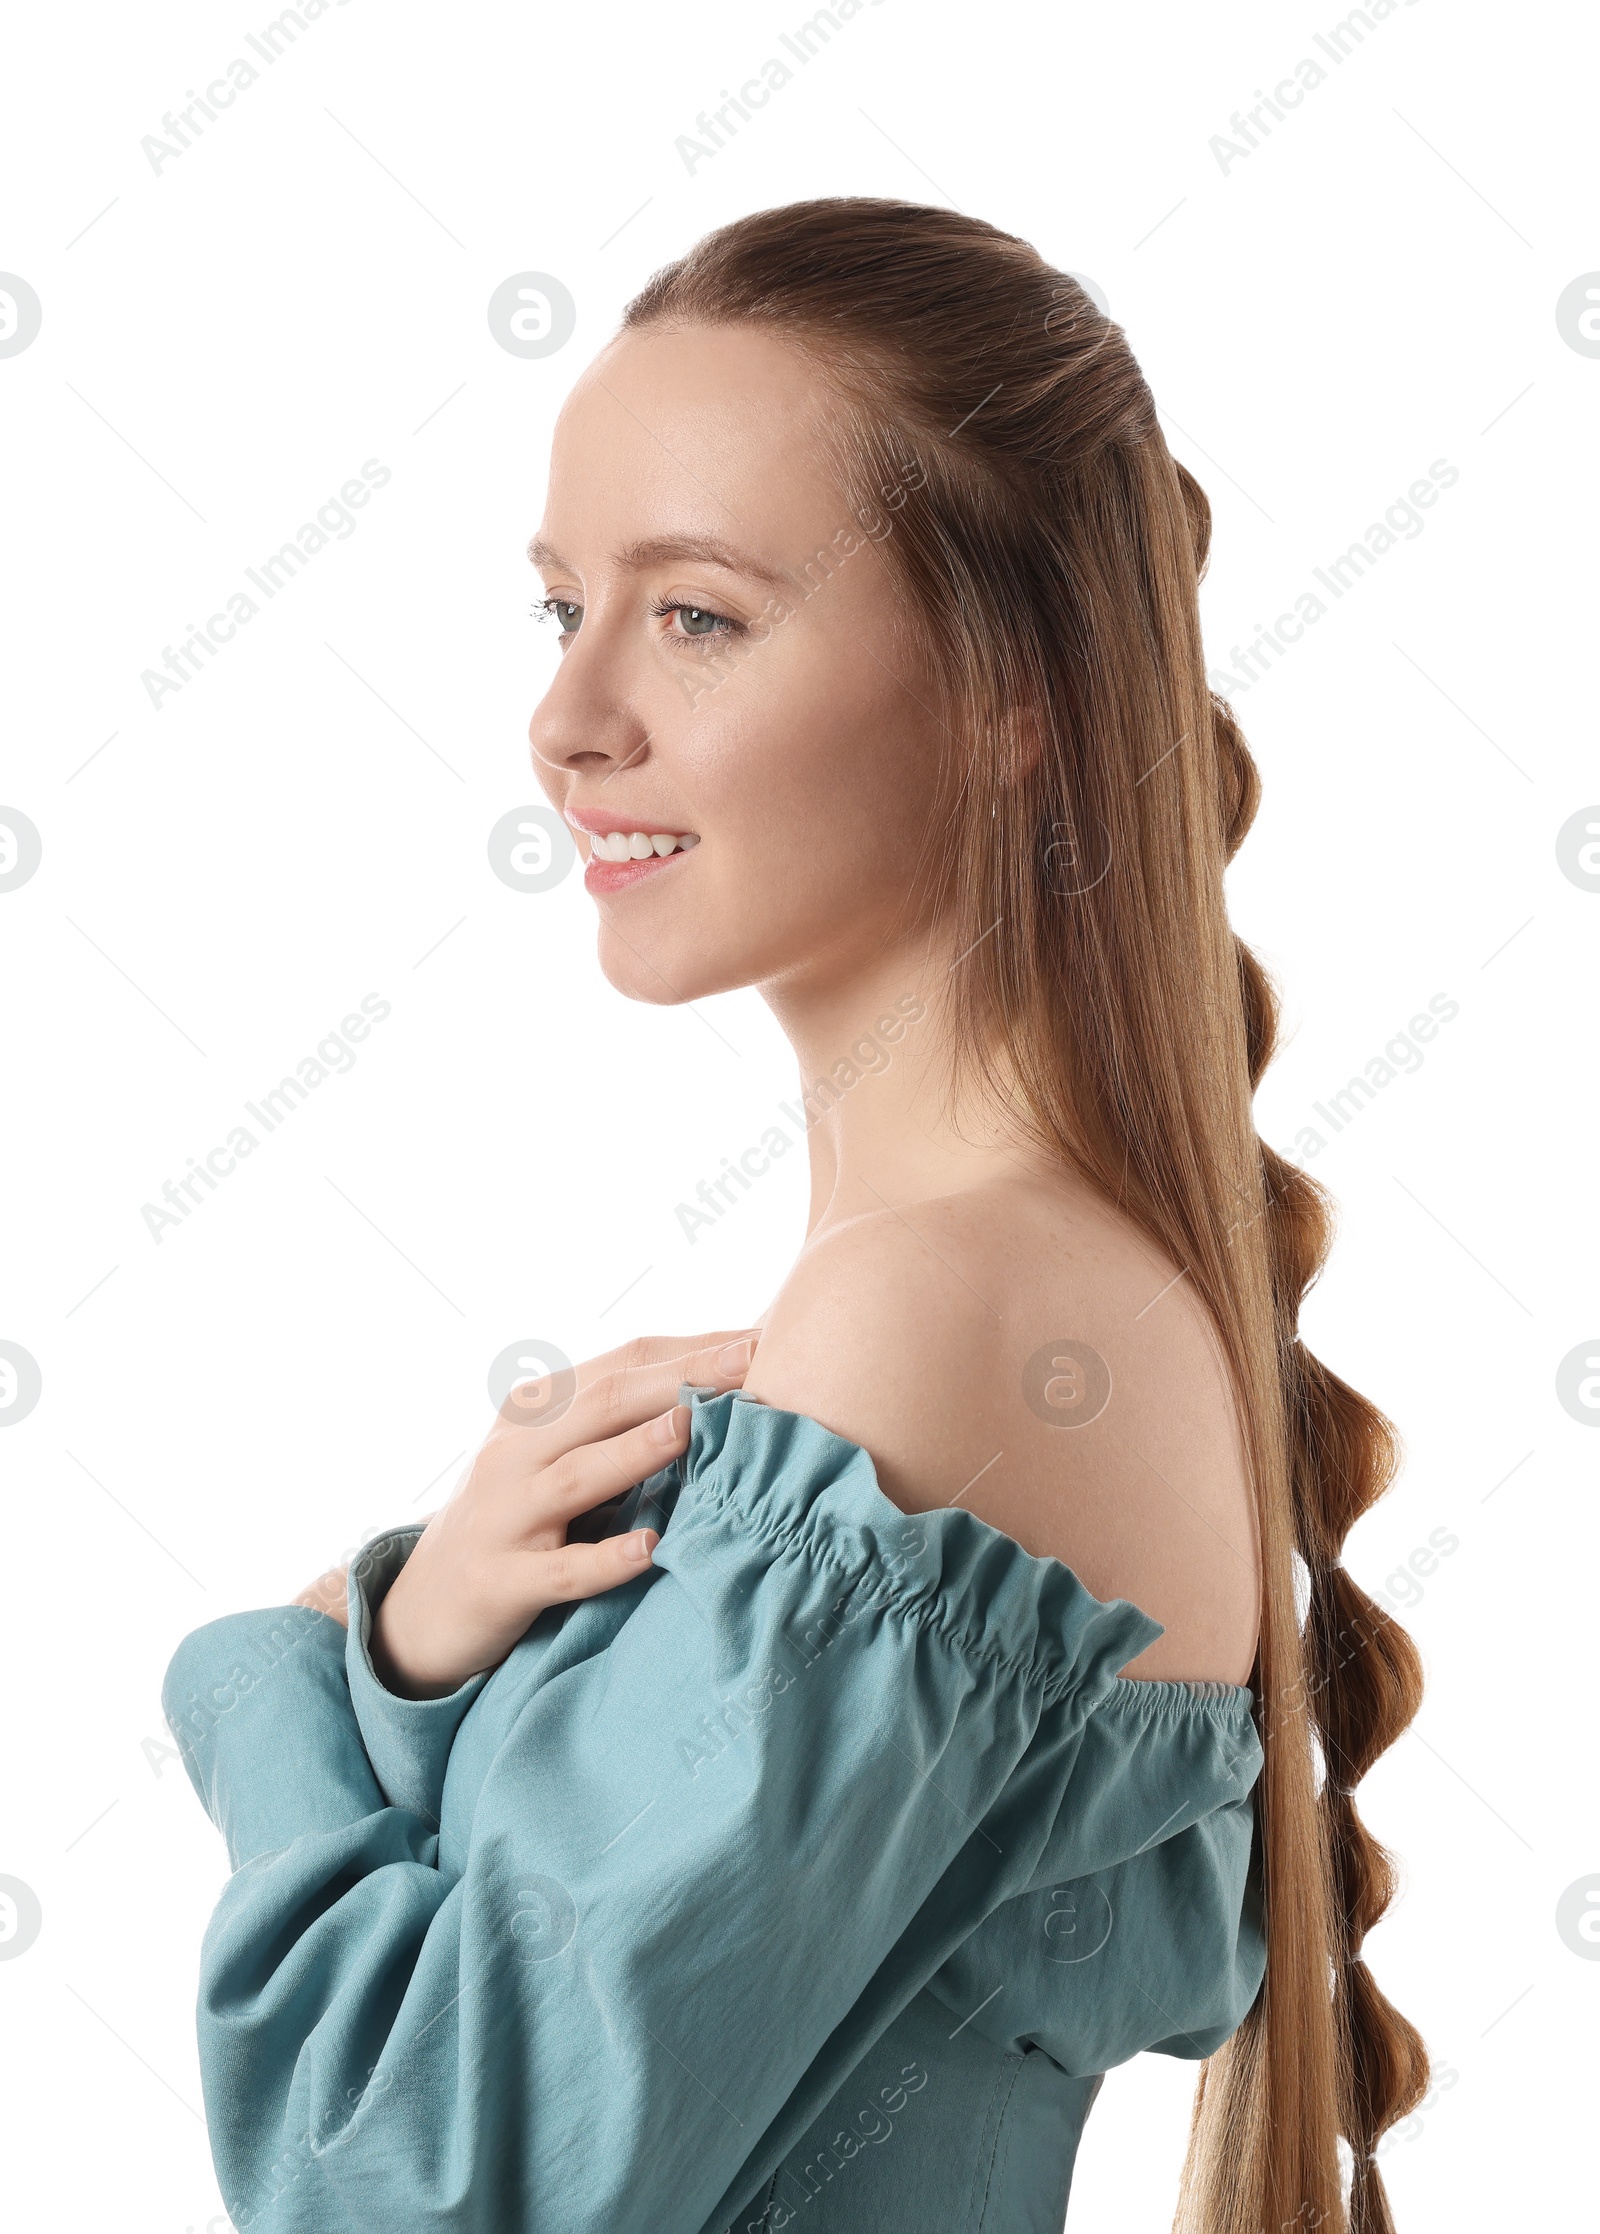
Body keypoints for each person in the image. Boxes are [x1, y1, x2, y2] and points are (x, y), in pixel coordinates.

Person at [162, 198, 1426, 2232]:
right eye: (559, 605)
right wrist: (419, 1645)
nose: (567, 720)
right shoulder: (960, 1298)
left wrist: (265, 1674)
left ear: (1015, 688)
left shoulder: (952, 1312)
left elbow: (412, 2191)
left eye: (698, 616)